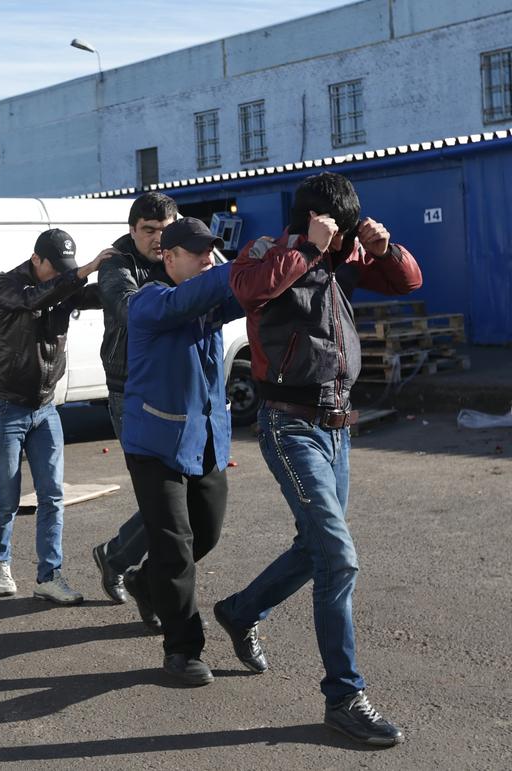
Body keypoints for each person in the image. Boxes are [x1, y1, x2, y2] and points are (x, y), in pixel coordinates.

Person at [218, 172, 422, 746]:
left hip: (338, 427)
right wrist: (307, 246)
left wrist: (384, 248)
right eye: (340, 233)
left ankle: (239, 612)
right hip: (289, 424)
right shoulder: (269, 252)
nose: (345, 246)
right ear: (312, 221)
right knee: (338, 558)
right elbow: (249, 292)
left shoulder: (344, 253)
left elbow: (407, 281)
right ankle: (344, 697)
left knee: (315, 548)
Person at [119, 217, 243, 685]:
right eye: (197, 252)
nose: (208, 258)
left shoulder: (205, 297)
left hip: (205, 441)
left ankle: (142, 581)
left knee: (204, 535)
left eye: (211, 251)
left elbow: (248, 292)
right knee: (175, 547)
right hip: (154, 444)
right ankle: (182, 650)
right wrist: (243, 261)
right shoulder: (149, 300)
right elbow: (196, 296)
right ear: (167, 258)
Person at [0, 228, 105, 604]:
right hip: (4, 406)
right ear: (36, 259)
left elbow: (95, 294)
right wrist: (83, 270)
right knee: (7, 499)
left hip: (45, 407)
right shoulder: (5, 285)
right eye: (56, 266)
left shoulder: (62, 284)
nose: (62, 274)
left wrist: (124, 270)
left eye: (67, 267)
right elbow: (36, 298)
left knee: (52, 496)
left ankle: (49, 576)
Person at [91, 192, 179, 615]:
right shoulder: (116, 263)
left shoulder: (181, 253)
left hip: (176, 387)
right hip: (130, 388)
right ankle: (141, 579)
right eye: (149, 231)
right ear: (132, 230)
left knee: (180, 496)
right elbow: (130, 309)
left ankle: (117, 556)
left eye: (165, 230)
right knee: (158, 497)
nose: (159, 239)